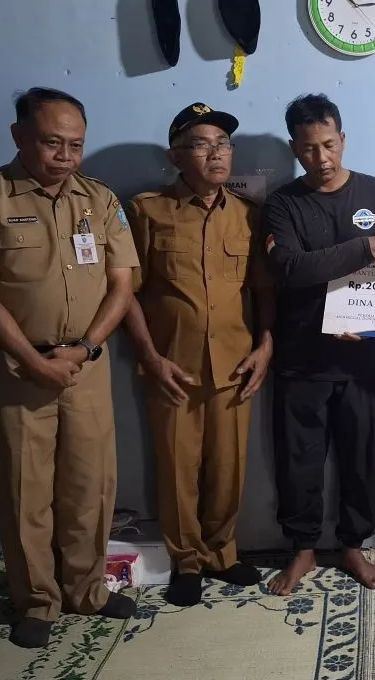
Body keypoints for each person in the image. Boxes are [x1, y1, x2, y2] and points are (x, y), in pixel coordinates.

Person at [0, 88, 139, 649]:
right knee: (24, 490)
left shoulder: (99, 199)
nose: (65, 156)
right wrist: (34, 361)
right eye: (52, 142)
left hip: (85, 364)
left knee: (90, 483)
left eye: (76, 145)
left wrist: (82, 349)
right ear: (19, 136)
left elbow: (122, 284)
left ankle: (87, 590)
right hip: (17, 368)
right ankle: (36, 600)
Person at [123, 102, 274, 607]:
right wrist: (149, 356)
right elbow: (125, 292)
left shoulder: (250, 214)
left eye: (224, 144)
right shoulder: (146, 211)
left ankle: (221, 553)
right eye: (202, 145)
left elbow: (263, 291)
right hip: (172, 366)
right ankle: (186, 560)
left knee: (229, 469)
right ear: (175, 156)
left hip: (235, 364)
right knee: (177, 468)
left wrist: (266, 347)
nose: (217, 154)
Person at [261, 93, 375, 595]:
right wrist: (363, 247)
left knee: (363, 457)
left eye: (329, 144)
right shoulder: (282, 204)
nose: (321, 158)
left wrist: (365, 316)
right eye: (309, 148)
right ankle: (302, 548)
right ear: (294, 148)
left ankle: (353, 544)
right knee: (298, 459)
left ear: (343, 139)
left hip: (366, 356)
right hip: (302, 357)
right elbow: (291, 268)